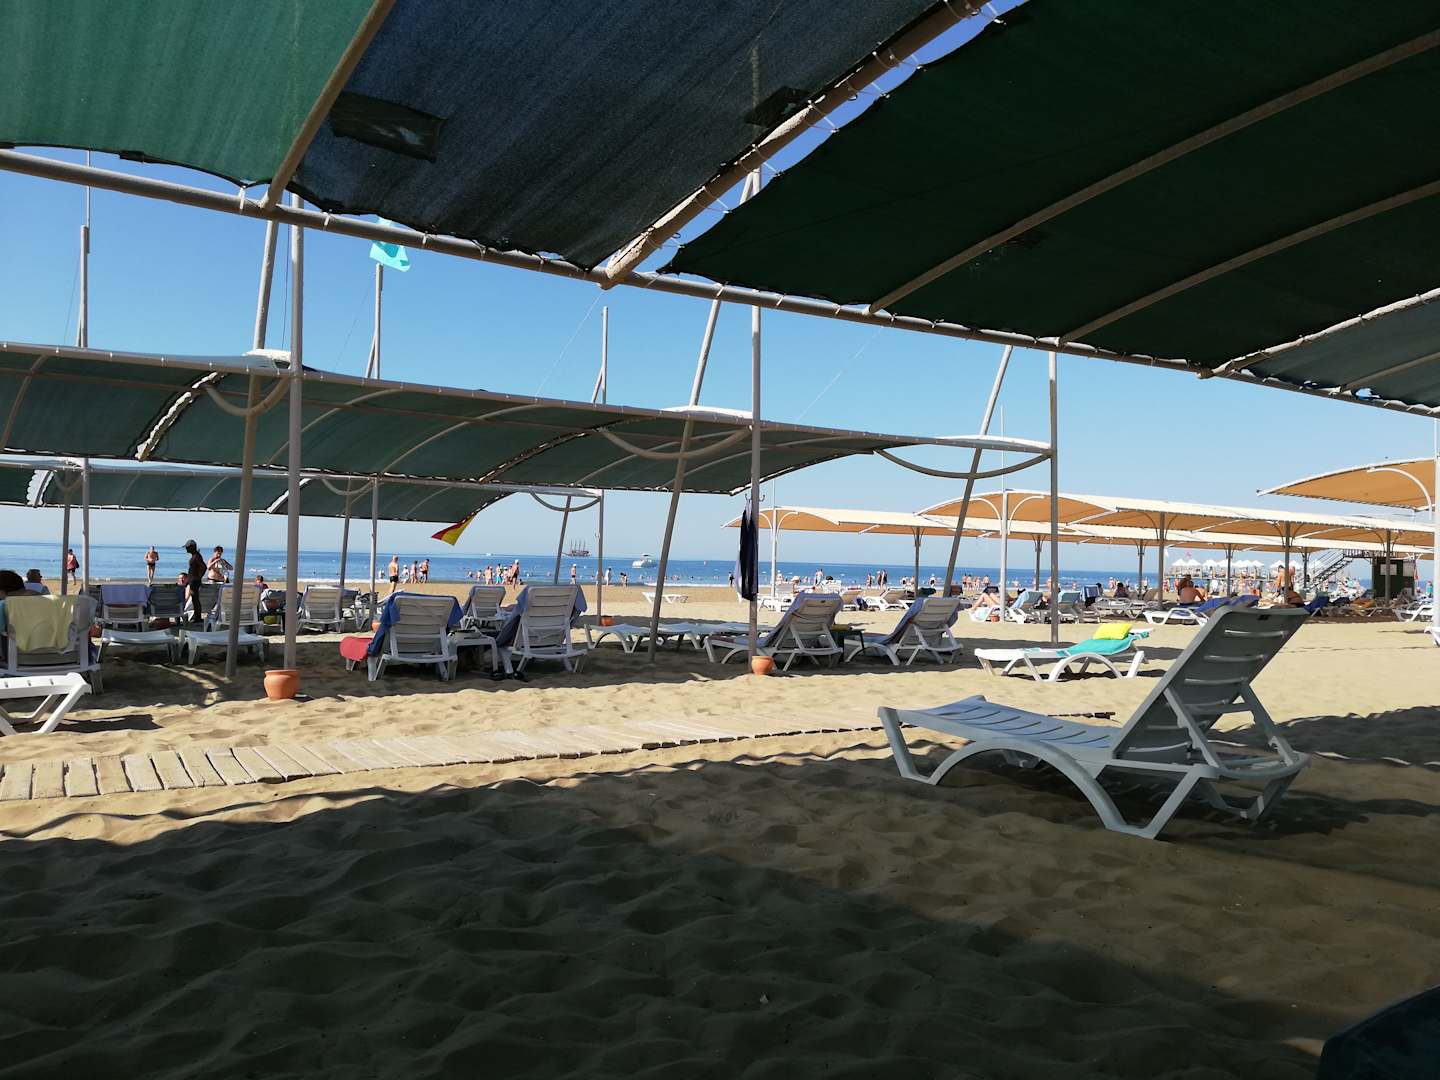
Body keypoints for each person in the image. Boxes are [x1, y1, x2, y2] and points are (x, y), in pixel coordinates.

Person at [183, 540, 207, 622]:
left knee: (195, 599)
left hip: (194, 581)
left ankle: (198, 618)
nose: (186, 549)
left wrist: (199, 577)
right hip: (193, 580)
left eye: (187, 547)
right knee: (194, 599)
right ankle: (197, 617)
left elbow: (204, 567)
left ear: (192, 547)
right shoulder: (195, 555)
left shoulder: (196, 556)